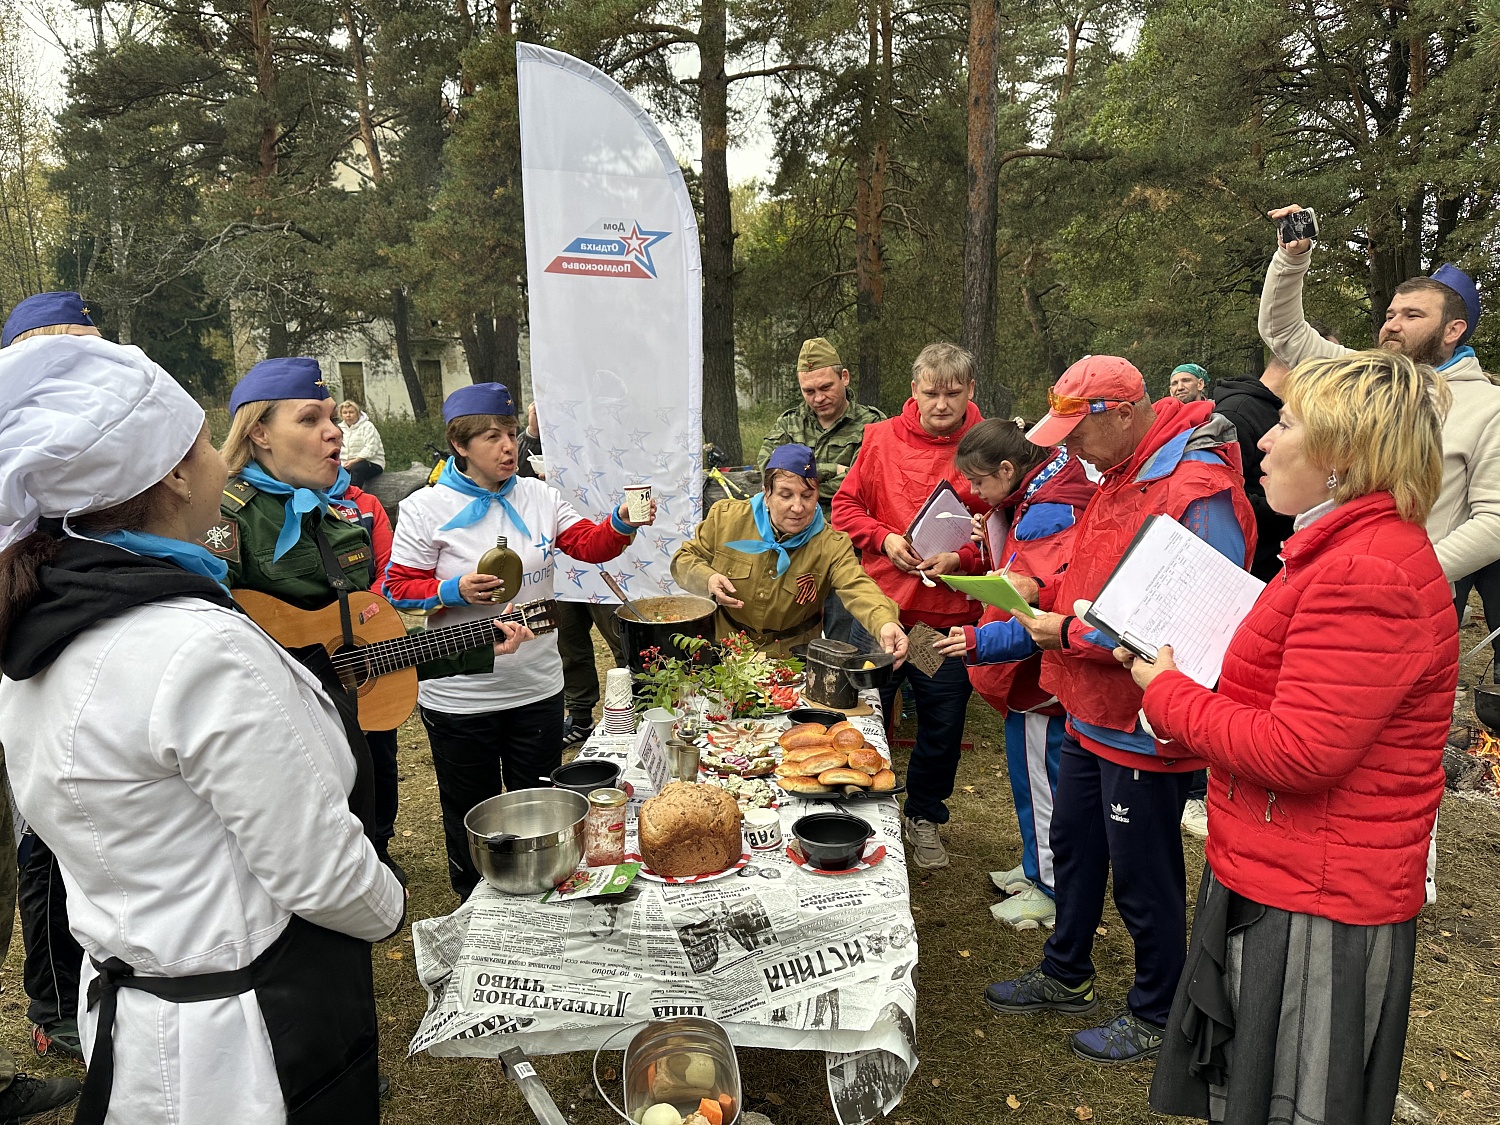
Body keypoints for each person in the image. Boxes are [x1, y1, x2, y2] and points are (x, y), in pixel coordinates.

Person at [0, 334, 407, 1124]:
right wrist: (390, 908)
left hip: (136, 1011)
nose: (220, 462)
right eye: (201, 444)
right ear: (177, 472)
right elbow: (317, 868)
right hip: (246, 1045)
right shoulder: (197, 647)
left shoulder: (40, 630)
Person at [1131, 350, 1455, 1124]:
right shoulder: (1337, 549)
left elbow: (1300, 750)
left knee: (1290, 1098)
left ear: (1344, 456)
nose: (1264, 441)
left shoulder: (1366, 573)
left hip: (1316, 894)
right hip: (1288, 865)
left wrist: (1168, 696)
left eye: (1287, 424)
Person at [979, 354, 1255, 1064]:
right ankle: (1065, 971)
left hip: (1144, 722)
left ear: (1124, 414)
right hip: (1087, 707)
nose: (1066, 446)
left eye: (1077, 429)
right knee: (1073, 847)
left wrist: (1065, 631)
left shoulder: (1195, 488)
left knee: (1144, 874)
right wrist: (1033, 595)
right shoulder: (1119, 473)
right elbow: (1087, 572)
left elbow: (1191, 618)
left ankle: (1158, 1010)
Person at [383, 382, 656, 900]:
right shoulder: (424, 507)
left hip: (536, 688)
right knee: (472, 817)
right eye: (492, 437)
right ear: (460, 445)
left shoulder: (540, 496)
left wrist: (622, 521)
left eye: (511, 434)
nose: (509, 447)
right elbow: (397, 587)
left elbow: (591, 546)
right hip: (461, 695)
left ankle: (545, 915)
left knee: (543, 817)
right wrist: (451, 588)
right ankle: (472, 914)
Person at [208, 358, 415, 883]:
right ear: (259, 432)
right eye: (309, 420)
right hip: (277, 751)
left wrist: (478, 645)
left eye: (331, 417)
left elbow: (365, 642)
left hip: (353, 725)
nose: (334, 432)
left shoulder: (340, 518)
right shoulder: (224, 517)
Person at [1258, 204, 1500, 589]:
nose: (1392, 326)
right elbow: (1284, 333)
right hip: (1324, 568)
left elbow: (1494, 521)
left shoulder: (1489, 409)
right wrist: (1292, 256)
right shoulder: (1363, 378)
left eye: (1412, 316)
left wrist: (1408, 574)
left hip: (1413, 592)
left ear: (1453, 330)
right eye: (1391, 314)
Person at [933, 420, 1096, 930]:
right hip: (1033, 680)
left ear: (1008, 470)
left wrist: (980, 642)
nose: (977, 495)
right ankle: (1036, 868)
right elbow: (1019, 576)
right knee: (1032, 780)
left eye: (980, 483)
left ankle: (1050, 888)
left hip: (1040, 681)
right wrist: (990, 542)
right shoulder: (1037, 498)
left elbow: (1038, 610)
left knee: (1046, 786)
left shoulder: (1050, 515)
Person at [0, 292, 105, 1063]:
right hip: (24, 676)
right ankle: (54, 1004)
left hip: (100, 671)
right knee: (42, 843)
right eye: (54, 350)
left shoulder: (108, 448)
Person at [832, 342, 985, 869]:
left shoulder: (986, 446)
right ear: (913, 391)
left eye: (951, 393)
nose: (940, 404)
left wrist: (962, 556)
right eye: (930, 393)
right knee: (859, 714)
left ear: (970, 391)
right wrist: (883, 537)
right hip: (882, 613)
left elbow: (1002, 531)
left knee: (941, 724)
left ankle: (923, 815)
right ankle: (850, 811)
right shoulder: (879, 440)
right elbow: (845, 506)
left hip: (943, 621)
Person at [672, 443, 909, 661]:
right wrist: (708, 579)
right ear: (766, 494)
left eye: (808, 496)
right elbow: (684, 560)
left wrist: (885, 623)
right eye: (785, 495)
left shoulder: (831, 544)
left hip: (792, 658)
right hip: (726, 650)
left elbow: (858, 587)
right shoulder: (727, 519)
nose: (798, 507)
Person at [757, 338, 886, 642]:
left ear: (844, 377)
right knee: (791, 624)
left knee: (843, 626)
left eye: (826, 387)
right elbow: (767, 471)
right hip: (793, 543)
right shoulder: (790, 423)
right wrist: (830, 471)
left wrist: (797, 476)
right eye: (809, 391)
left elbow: (864, 486)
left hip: (845, 544)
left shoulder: (873, 425)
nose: (818, 398)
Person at [517, 401, 628, 747]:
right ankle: (580, 716)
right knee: (570, 644)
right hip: (560, 562)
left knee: (623, 639)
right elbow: (516, 473)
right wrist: (534, 431)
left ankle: (634, 711)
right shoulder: (538, 439)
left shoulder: (614, 430)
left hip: (611, 556)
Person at [338, 398, 386, 487]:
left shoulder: (367, 426)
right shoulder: (339, 429)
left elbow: (371, 448)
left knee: (357, 468)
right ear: (341, 415)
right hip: (346, 464)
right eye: (345, 413)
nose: (348, 415)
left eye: (351, 412)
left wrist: (354, 461)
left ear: (358, 413)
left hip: (370, 463)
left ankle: (353, 496)